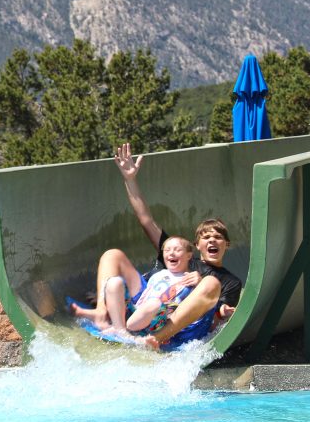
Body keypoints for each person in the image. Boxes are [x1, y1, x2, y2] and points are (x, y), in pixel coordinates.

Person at [72, 142, 242, 350]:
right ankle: (101, 311)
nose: (212, 240)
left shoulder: (230, 281)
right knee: (112, 255)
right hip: (142, 306)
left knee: (210, 283)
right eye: (206, 237)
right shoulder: (178, 254)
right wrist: (130, 179)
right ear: (195, 246)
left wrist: (221, 309)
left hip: (177, 324)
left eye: (217, 237)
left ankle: (157, 338)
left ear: (227, 244)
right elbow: (146, 220)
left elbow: (218, 316)